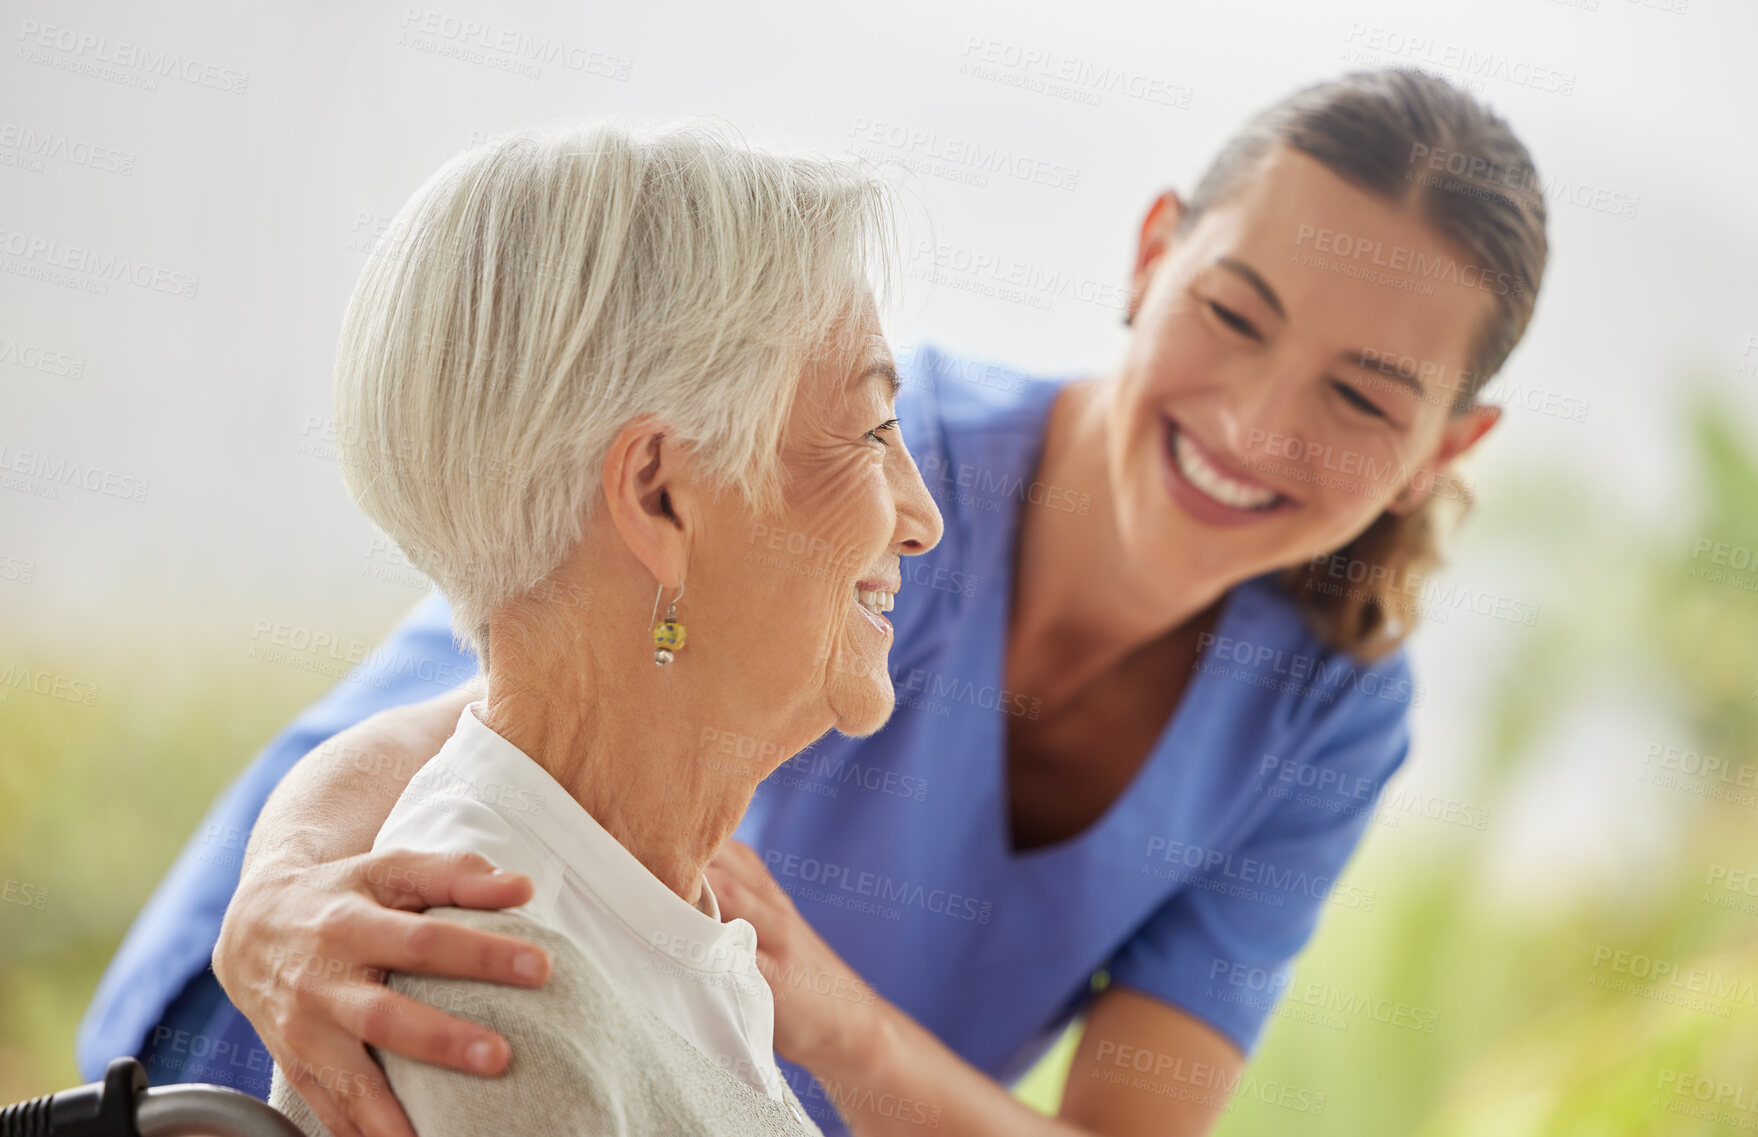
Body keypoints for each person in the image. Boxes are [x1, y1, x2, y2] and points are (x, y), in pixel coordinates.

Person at [81, 69, 1548, 1137]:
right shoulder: (857, 467)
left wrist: (837, 1025)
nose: (1252, 420)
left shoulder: (1328, 715)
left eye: (1359, 396)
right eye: (1233, 315)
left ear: (1448, 448)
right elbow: (502, 679)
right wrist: (278, 902)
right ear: (1152, 252)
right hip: (358, 1000)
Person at [242, 118, 940, 1135]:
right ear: (659, 497)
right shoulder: (497, 1002)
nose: (922, 518)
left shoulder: (640, 914)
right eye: (873, 432)